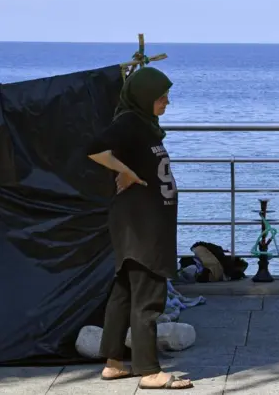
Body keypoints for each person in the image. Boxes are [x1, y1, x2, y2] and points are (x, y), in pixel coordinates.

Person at [86, 66, 193, 390]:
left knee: (124, 292)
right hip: (141, 225)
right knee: (148, 296)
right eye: (161, 97)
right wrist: (125, 172)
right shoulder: (130, 122)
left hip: (145, 223)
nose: (166, 103)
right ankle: (149, 371)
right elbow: (94, 148)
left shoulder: (145, 126)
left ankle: (114, 362)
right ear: (145, 97)